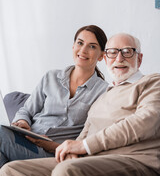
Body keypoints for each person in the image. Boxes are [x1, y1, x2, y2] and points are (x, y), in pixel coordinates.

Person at [1, 33, 160, 176]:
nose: (119, 58)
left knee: (67, 170)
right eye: (113, 52)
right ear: (106, 59)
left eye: (127, 52)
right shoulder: (103, 97)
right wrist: (73, 149)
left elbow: (145, 122)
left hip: (136, 160)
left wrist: (83, 146)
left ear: (140, 58)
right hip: (92, 160)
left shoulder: (152, 82)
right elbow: (83, 136)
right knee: (11, 172)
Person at [0, 25, 108, 167]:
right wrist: (23, 122)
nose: (83, 50)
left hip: (55, 153)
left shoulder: (104, 92)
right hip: (26, 141)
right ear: (73, 46)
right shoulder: (51, 77)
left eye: (92, 46)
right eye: (80, 43)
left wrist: (48, 144)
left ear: (101, 55)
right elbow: (26, 111)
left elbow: (91, 138)